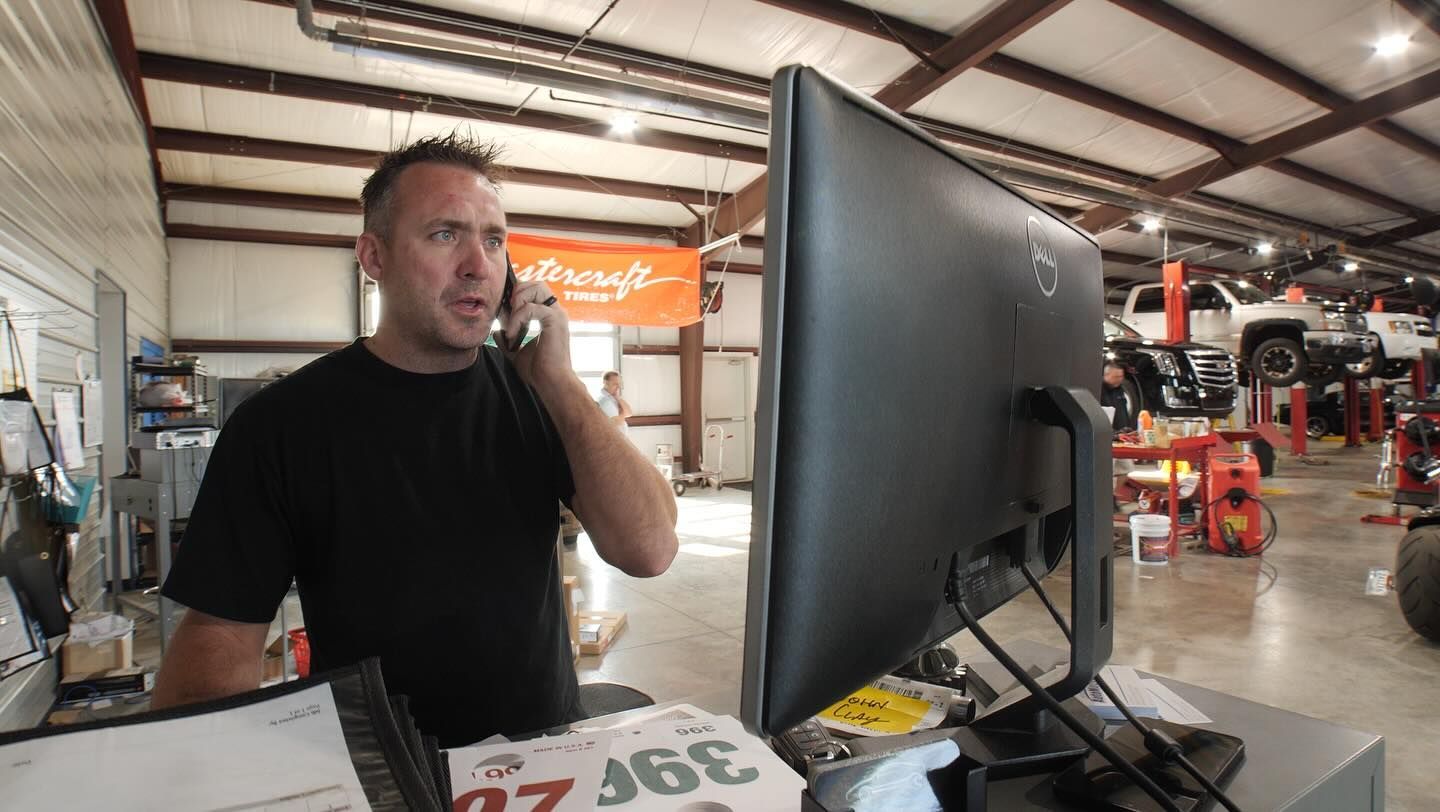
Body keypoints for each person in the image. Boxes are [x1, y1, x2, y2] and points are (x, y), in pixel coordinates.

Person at [152, 133, 679, 747]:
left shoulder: (541, 397)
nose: (478, 263)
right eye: (444, 234)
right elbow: (220, 640)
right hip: (379, 769)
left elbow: (649, 549)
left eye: (494, 239)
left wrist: (560, 384)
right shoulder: (281, 426)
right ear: (373, 257)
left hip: (543, 757)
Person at [1101, 362, 1135, 432]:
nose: (1120, 379)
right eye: (1116, 377)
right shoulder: (1098, 390)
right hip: (1106, 434)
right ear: (1106, 375)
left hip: (1123, 434)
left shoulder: (1121, 390)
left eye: (1121, 376)